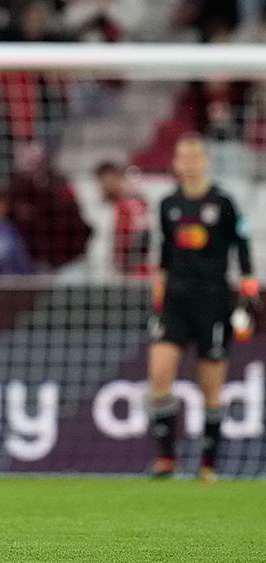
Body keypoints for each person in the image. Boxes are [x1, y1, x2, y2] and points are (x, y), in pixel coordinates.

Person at [148, 134, 258, 484]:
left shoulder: (223, 203)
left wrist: (248, 288)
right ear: (177, 163)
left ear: (205, 161)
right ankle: (166, 459)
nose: (191, 163)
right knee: (159, 375)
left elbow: (242, 246)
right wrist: (158, 296)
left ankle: (208, 464)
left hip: (213, 302)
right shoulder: (168, 205)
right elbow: (164, 255)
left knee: (211, 386)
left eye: (197, 156)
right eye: (184, 157)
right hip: (175, 302)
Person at [94, 161, 151, 275]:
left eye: (108, 180)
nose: (104, 185)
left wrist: (129, 268)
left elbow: (144, 237)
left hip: (131, 272)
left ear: (118, 178)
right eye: (101, 181)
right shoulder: (101, 208)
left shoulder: (133, 205)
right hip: (106, 271)